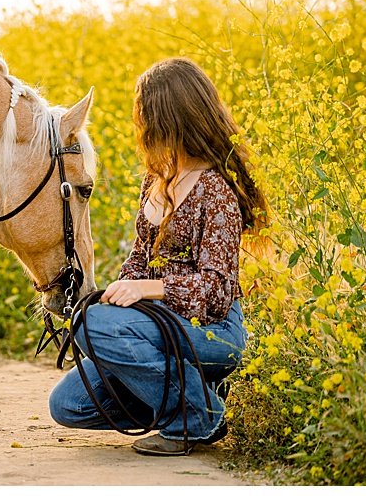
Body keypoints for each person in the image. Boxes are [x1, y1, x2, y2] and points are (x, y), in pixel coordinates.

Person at [47, 57, 268, 456]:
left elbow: (217, 291)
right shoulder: (157, 178)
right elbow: (139, 257)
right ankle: (189, 391)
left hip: (214, 329)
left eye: (147, 114)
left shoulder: (215, 190)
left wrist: (146, 289)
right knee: (68, 405)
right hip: (157, 326)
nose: (143, 126)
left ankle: (197, 415)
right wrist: (118, 289)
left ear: (172, 116)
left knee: (94, 327)